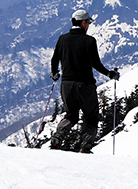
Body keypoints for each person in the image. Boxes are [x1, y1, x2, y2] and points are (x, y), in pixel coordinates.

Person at [50, 9, 119, 153]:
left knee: (71, 115)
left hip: (66, 84)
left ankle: (58, 137)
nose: (88, 25)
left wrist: (55, 73)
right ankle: (85, 146)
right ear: (83, 22)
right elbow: (95, 63)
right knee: (91, 116)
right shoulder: (89, 41)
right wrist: (109, 74)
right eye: (88, 22)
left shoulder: (62, 39)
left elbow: (54, 59)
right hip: (85, 85)